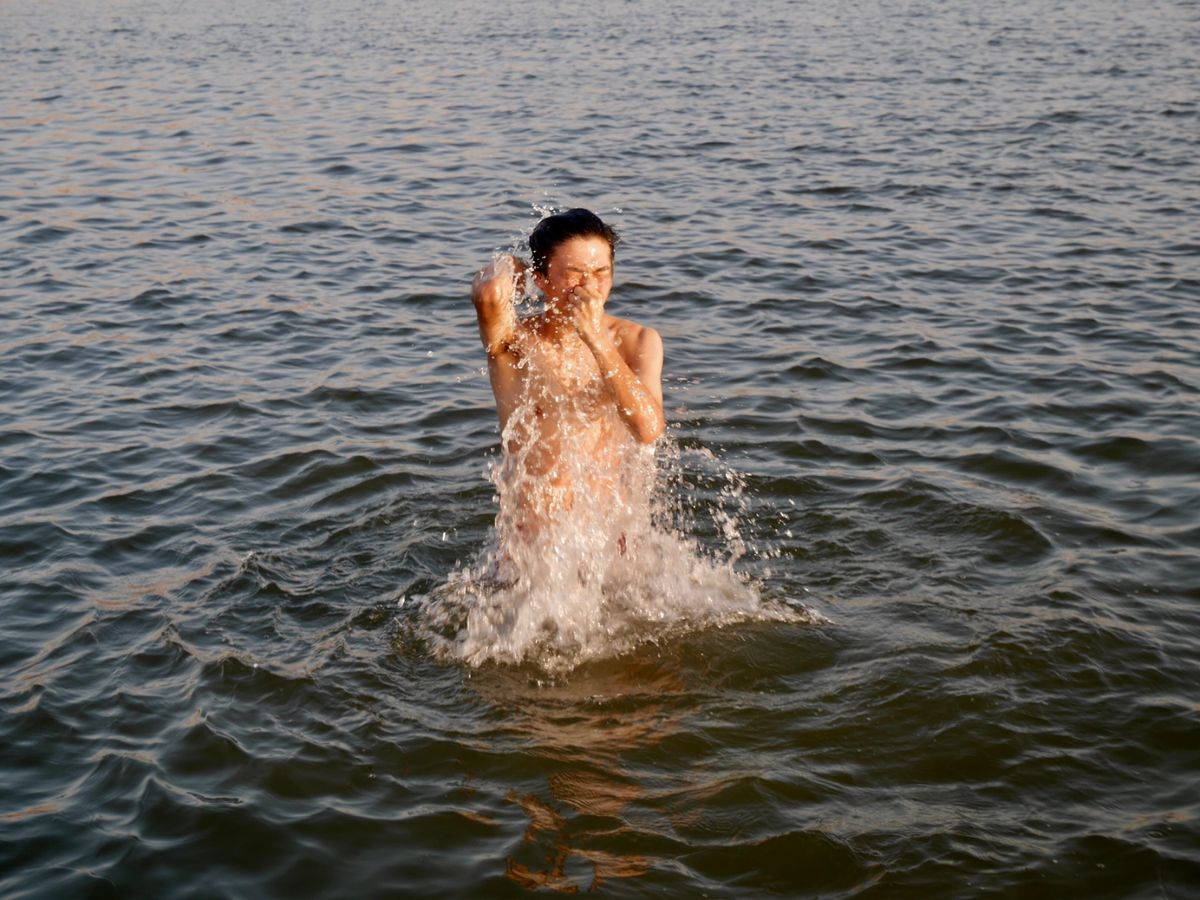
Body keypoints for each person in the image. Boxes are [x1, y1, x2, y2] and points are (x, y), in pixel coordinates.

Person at [470, 209, 665, 534]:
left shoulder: (638, 341)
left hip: (611, 544)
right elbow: (490, 293)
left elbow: (648, 430)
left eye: (602, 272)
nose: (590, 286)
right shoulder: (514, 344)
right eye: (574, 273)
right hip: (535, 552)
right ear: (541, 279)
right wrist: (511, 264)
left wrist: (597, 341)